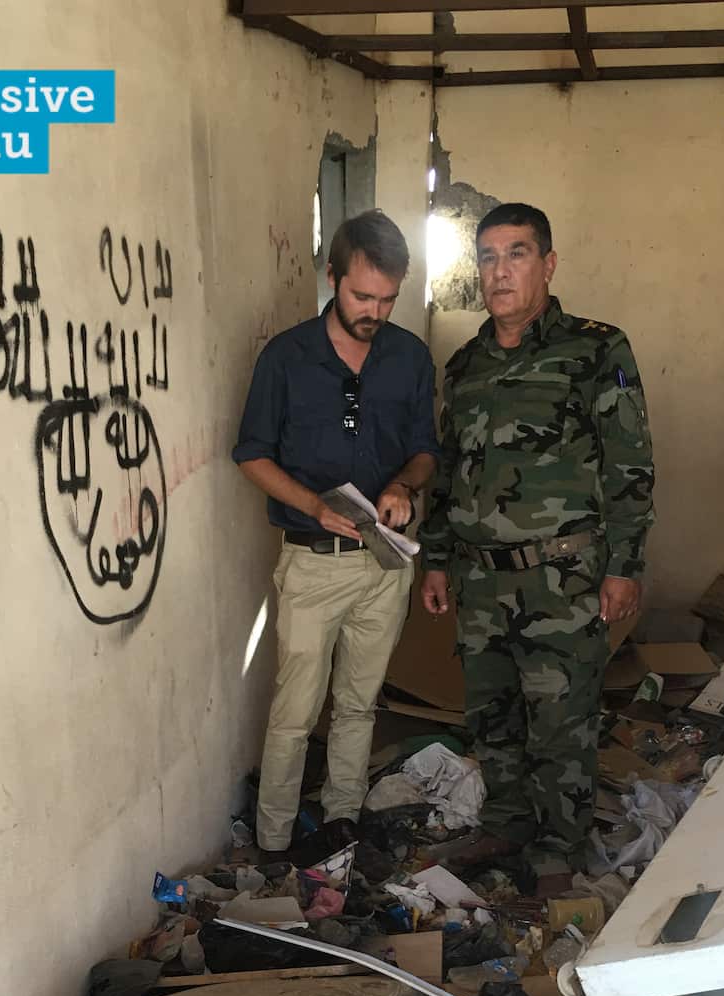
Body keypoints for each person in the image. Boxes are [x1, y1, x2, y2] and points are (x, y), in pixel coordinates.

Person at [418, 202, 655, 893]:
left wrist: (626, 566)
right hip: (481, 581)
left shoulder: (595, 349)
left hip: (564, 577)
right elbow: (449, 467)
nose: (500, 271)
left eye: (516, 254)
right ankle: (508, 824)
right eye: (488, 257)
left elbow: (630, 464)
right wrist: (436, 558)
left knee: (560, 724)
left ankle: (559, 850)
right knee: (493, 719)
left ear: (547, 264)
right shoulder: (464, 366)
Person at [233, 210, 440, 855]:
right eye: (360, 296)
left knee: (358, 705)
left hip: (386, 564)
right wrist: (314, 507)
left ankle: (340, 826)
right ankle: (272, 842)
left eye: (386, 299)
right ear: (331, 276)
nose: (373, 311)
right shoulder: (286, 358)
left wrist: (405, 485)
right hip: (313, 561)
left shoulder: (409, 356)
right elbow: (251, 454)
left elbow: (426, 449)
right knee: (295, 714)